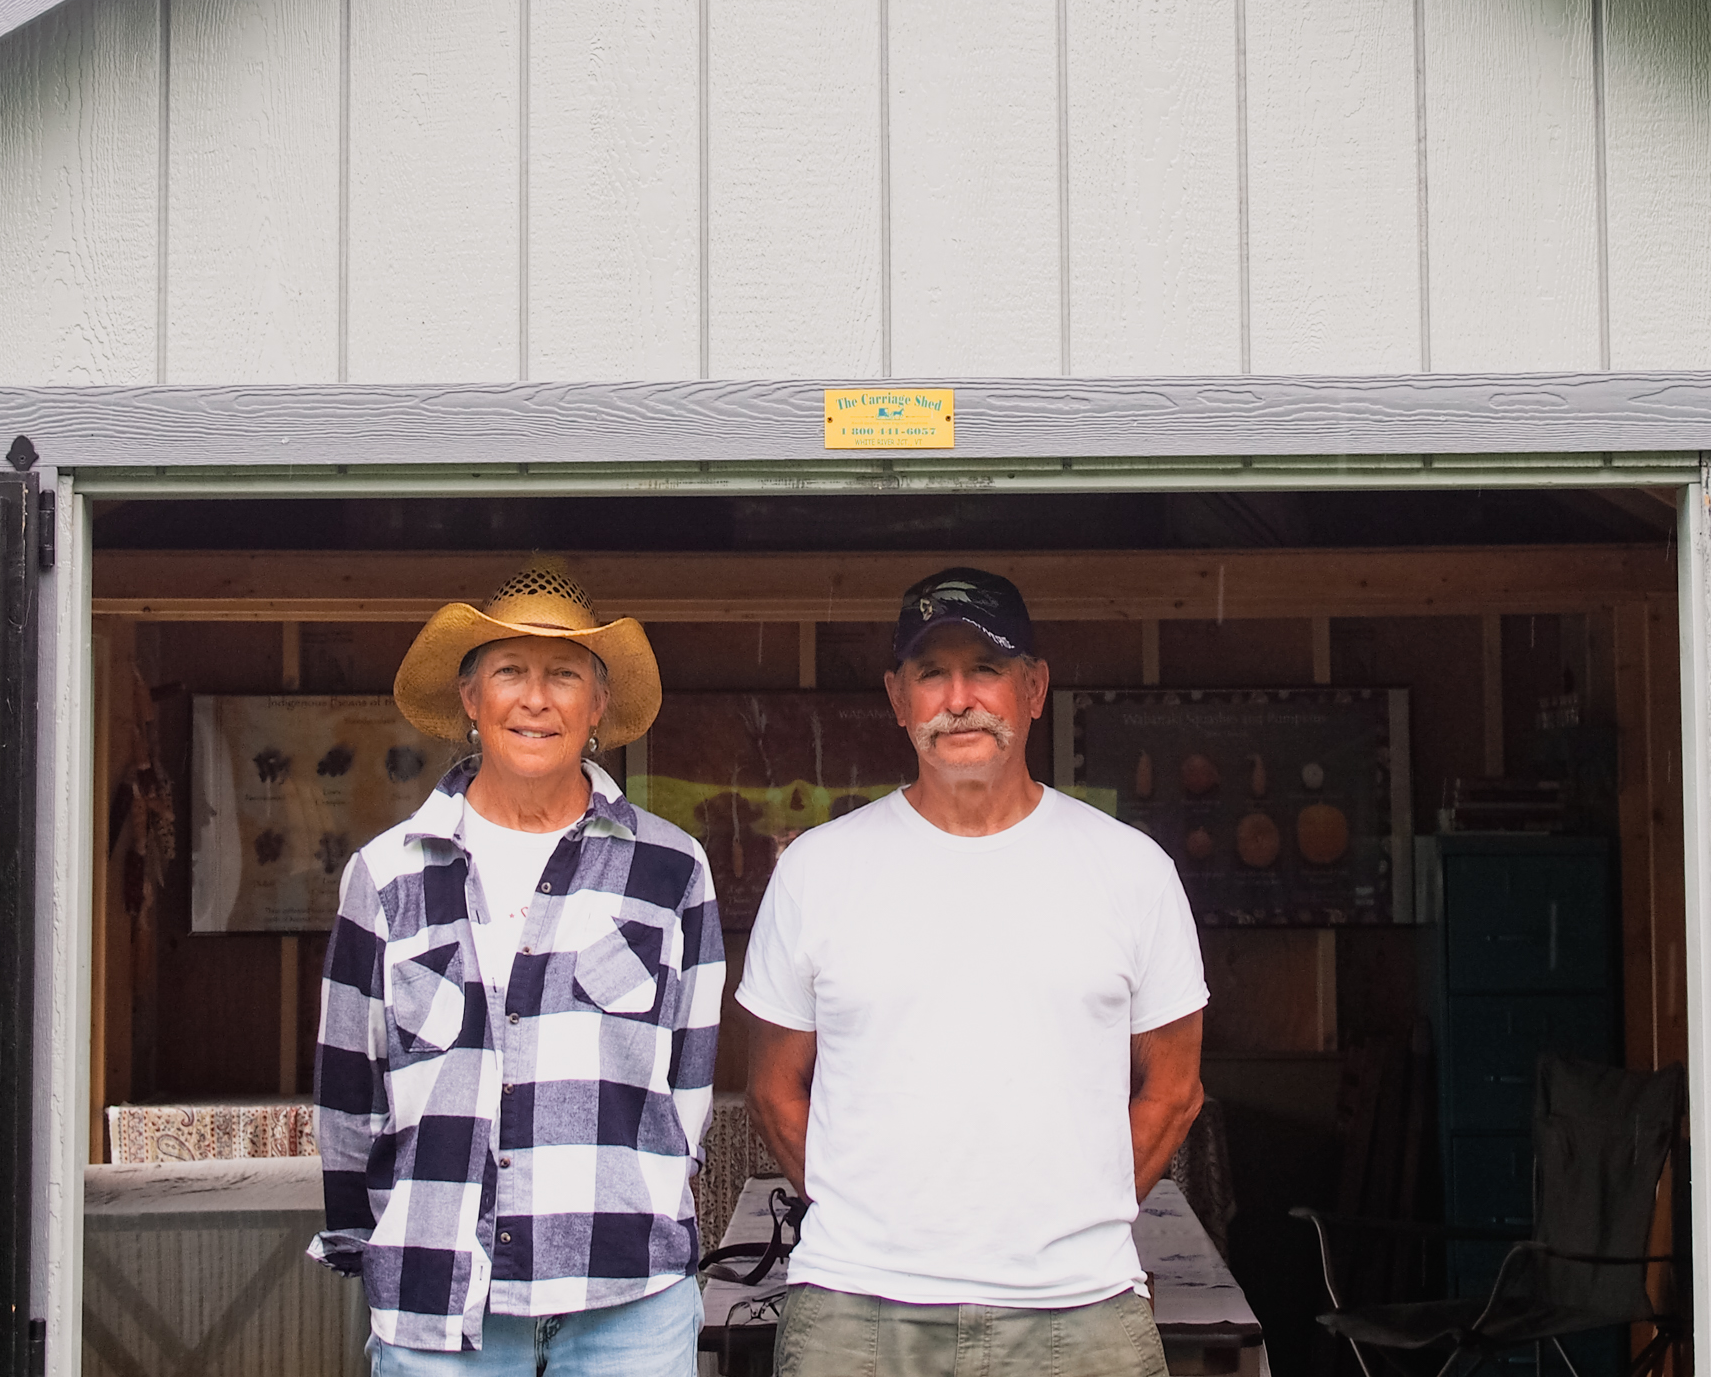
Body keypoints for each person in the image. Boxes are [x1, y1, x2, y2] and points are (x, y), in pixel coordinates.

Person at [741, 567, 1207, 1377]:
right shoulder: (817, 870)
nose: (961, 697)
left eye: (986, 669)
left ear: (1033, 689)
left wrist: (1073, 1219)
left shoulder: (1132, 870)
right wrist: (877, 1222)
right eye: (932, 673)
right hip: (858, 1313)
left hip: (1080, 1311)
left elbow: (1174, 1091)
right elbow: (776, 1091)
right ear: (898, 697)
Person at [310, 561, 722, 1373]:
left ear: (597, 706)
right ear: (471, 699)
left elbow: (689, 1091)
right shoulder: (387, 875)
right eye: (510, 672)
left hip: (628, 1305)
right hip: (439, 1307)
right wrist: (377, 1247)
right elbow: (348, 1095)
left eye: (564, 675)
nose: (536, 699)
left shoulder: (671, 870)